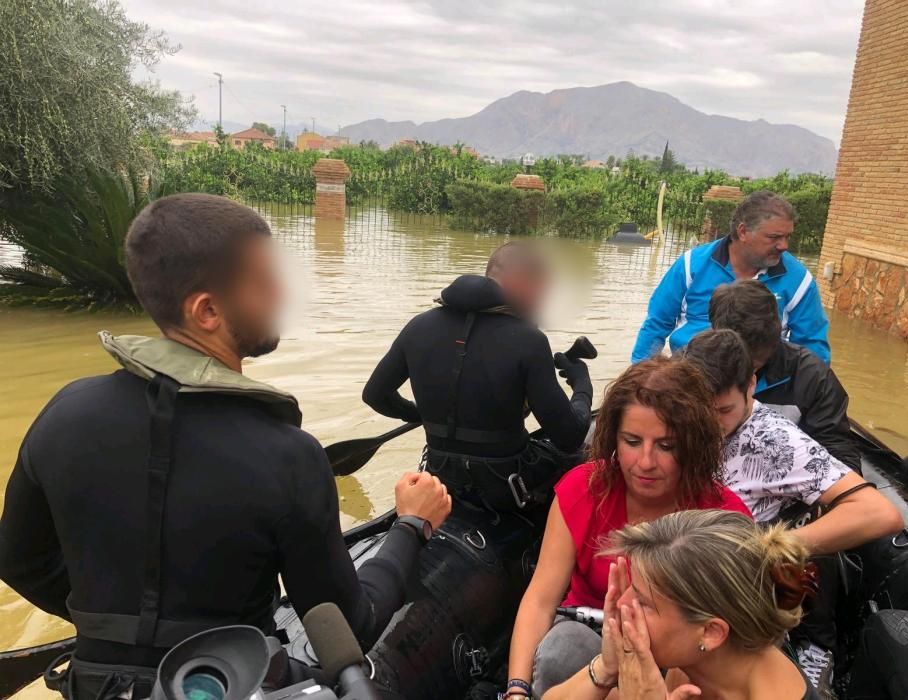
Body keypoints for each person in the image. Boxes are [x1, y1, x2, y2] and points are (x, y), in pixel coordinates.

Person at [0, 194, 452, 699]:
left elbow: (20, 562)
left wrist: (111, 622)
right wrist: (413, 524)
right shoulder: (287, 455)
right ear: (208, 311)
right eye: (265, 282)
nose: (281, 293)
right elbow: (351, 627)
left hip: (93, 682)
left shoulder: (65, 412)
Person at [504, 357, 751, 700]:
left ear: (693, 445)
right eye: (632, 442)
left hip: (684, 650)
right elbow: (540, 599)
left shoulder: (724, 515)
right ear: (613, 439)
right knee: (562, 653)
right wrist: (517, 690)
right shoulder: (582, 489)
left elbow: (727, 633)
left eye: (666, 446)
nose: (646, 462)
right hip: (590, 632)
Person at [682, 329, 904, 694]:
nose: (708, 423)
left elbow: (878, 512)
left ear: (751, 385)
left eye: (722, 411)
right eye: (698, 409)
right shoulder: (684, 421)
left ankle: (816, 652)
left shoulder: (775, 440)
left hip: (737, 602)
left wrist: (772, 547)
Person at [363, 241, 593, 511]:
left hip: (440, 475)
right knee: (588, 457)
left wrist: (418, 414)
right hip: (507, 482)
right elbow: (569, 437)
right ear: (527, 283)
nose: (542, 301)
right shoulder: (529, 341)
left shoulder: (418, 326)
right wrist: (582, 384)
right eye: (543, 290)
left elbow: (375, 395)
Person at [543, 509, 823, 700]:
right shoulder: (692, 661)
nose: (622, 604)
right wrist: (607, 668)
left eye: (642, 601)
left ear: (711, 632)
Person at [631, 191, 831, 365]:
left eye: (788, 237)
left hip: (760, 391)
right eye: (774, 237)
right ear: (743, 231)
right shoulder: (691, 265)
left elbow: (812, 346)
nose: (784, 246)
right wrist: (641, 378)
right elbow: (657, 323)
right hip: (690, 380)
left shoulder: (799, 281)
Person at [708, 279, 860, 470]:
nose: (747, 377)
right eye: (737, 361)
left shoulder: (813, 377)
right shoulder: (689, 369)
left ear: (775, 336)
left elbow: (840, 454)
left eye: (754, 365)